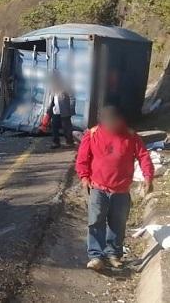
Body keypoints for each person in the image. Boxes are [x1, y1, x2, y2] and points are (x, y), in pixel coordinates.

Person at [75, 106, 154, 271]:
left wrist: (148, 176)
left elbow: (143, 156)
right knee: (95, 222)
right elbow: (82, 158)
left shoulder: (131, 136)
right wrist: (84, 177)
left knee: (117, 223)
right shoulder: (93, 134)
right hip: (98, 187)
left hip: (121, 190)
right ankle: (96, 256)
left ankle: (113, 255)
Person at [46, 74, 75, 148]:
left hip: (65, 111)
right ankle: (56, 142)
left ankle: (70, 142)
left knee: (66, 128)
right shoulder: (53, 88)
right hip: (56, 111)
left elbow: (72, 98)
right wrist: (49, 111)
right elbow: (51, 100)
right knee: (54, 127)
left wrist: (71, 110)